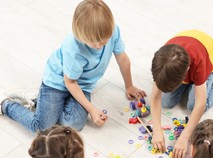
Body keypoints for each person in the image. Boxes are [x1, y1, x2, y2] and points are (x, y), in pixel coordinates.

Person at [0, 0, 145, 133]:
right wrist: (92, 109)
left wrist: (129, 85)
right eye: (94, 42)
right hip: (57, 83)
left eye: (104, 40)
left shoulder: (113, 30)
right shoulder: (74, 48)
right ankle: (6, 105)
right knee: (43, 128)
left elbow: (123, 59)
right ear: (81, 35)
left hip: (81, 85)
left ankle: (39, 102)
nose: (101, 45)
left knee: (74, 124)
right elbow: (69, 82)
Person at [150, 29, 213, 158]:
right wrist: (156, 130)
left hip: (211, 60)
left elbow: (200, 104)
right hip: (185, 57)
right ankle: (191, 85)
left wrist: (185, 136)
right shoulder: (162, 62)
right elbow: (155, 96)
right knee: (166, 102)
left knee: (192, 105)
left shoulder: (199, 63)